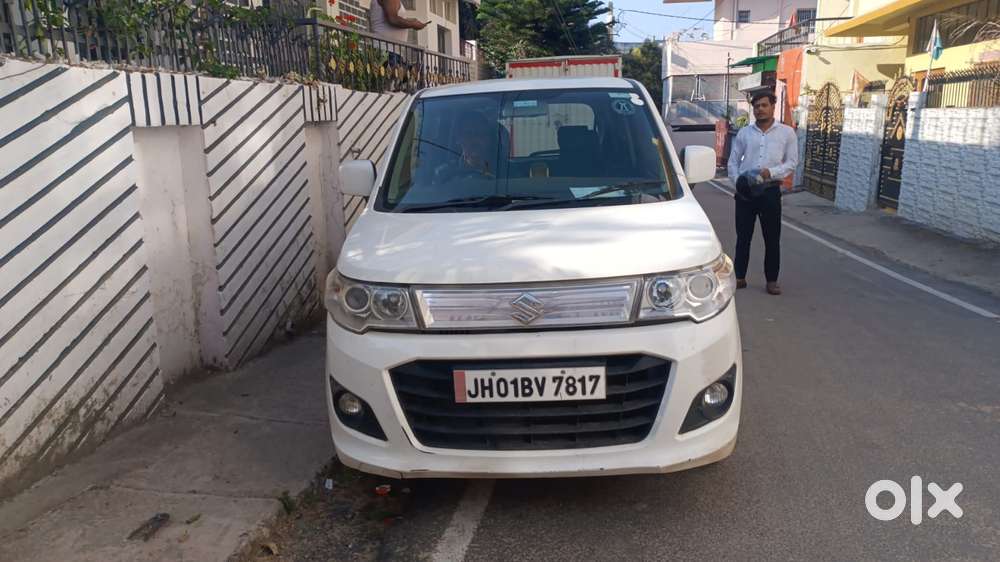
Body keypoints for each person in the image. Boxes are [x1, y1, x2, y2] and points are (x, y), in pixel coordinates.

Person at [726, 91, 798, 296]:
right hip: (746, 194)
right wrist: (739, 184)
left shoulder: (786, 133)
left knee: (772, 238)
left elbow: (792, 162)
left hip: (770, 191)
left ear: (773, 106)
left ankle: (772, 281)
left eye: (764, 105)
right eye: (756, 106)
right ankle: (739, 277)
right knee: (743, 237)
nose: (760, 109)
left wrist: (771, 173)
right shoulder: (744, 133)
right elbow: (732, 162)